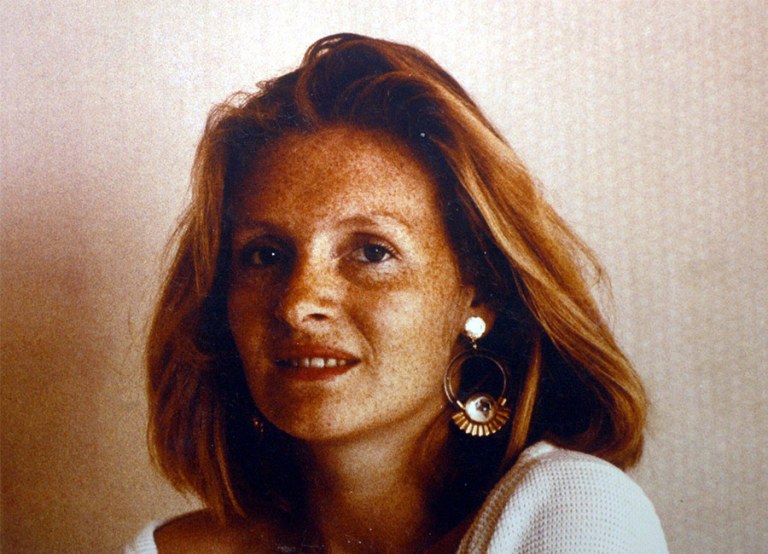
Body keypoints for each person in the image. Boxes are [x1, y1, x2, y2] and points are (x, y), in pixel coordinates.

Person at [125, 33, 668, 553]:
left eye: (372, 252)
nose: (297, 303)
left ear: (480, 294)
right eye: (265, 255)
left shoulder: (575, 512)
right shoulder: (161, 551)